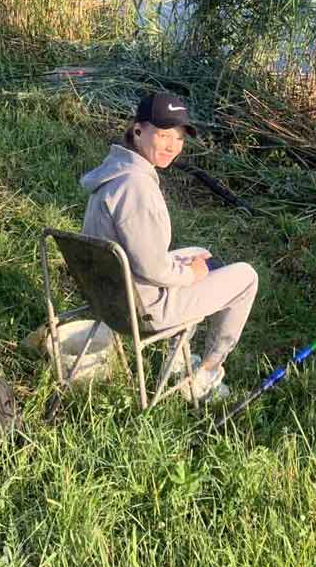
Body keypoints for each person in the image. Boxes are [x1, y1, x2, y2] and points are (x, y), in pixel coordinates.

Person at [81, 92, 257, 402]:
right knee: (246, 277)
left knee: (198, 251)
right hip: (142, 309)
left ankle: (177, 360)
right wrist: (191, 276)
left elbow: (143, 259)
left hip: (107, 294)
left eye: (178, 138)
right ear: (138, 131)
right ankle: (204, 376)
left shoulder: (116, 171)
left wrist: (192, 265)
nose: (172, 146)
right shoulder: (135, 187)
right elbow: (153, 269)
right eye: (163, 135)